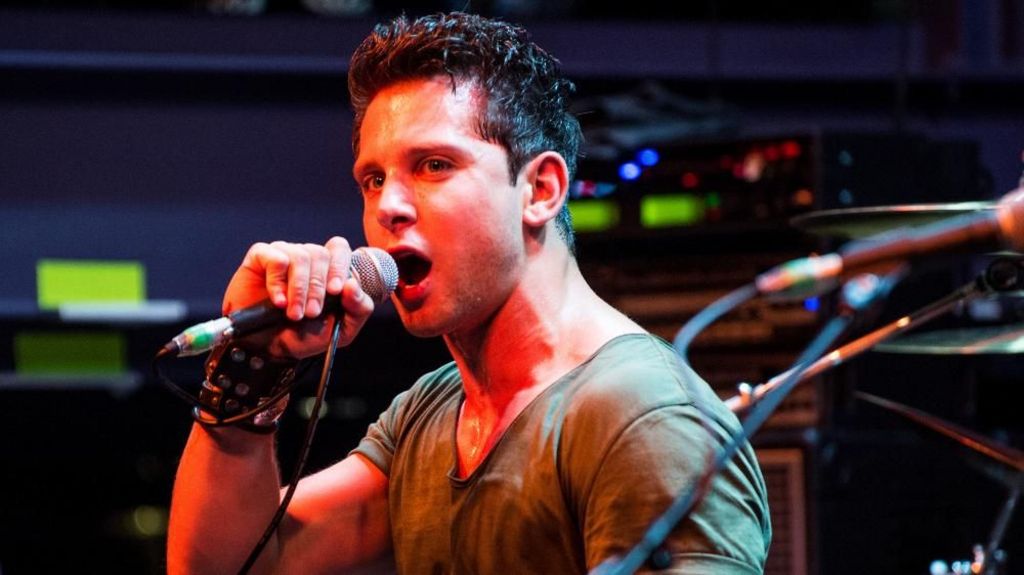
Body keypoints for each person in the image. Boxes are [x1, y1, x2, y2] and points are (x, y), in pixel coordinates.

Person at [167, 11, 771, 574]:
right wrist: (252, 365)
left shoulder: (644, 418)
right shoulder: (430, 411)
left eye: (433, 165)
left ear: (541, 190)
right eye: (373, 180)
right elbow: (235, 564)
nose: (389, 207)